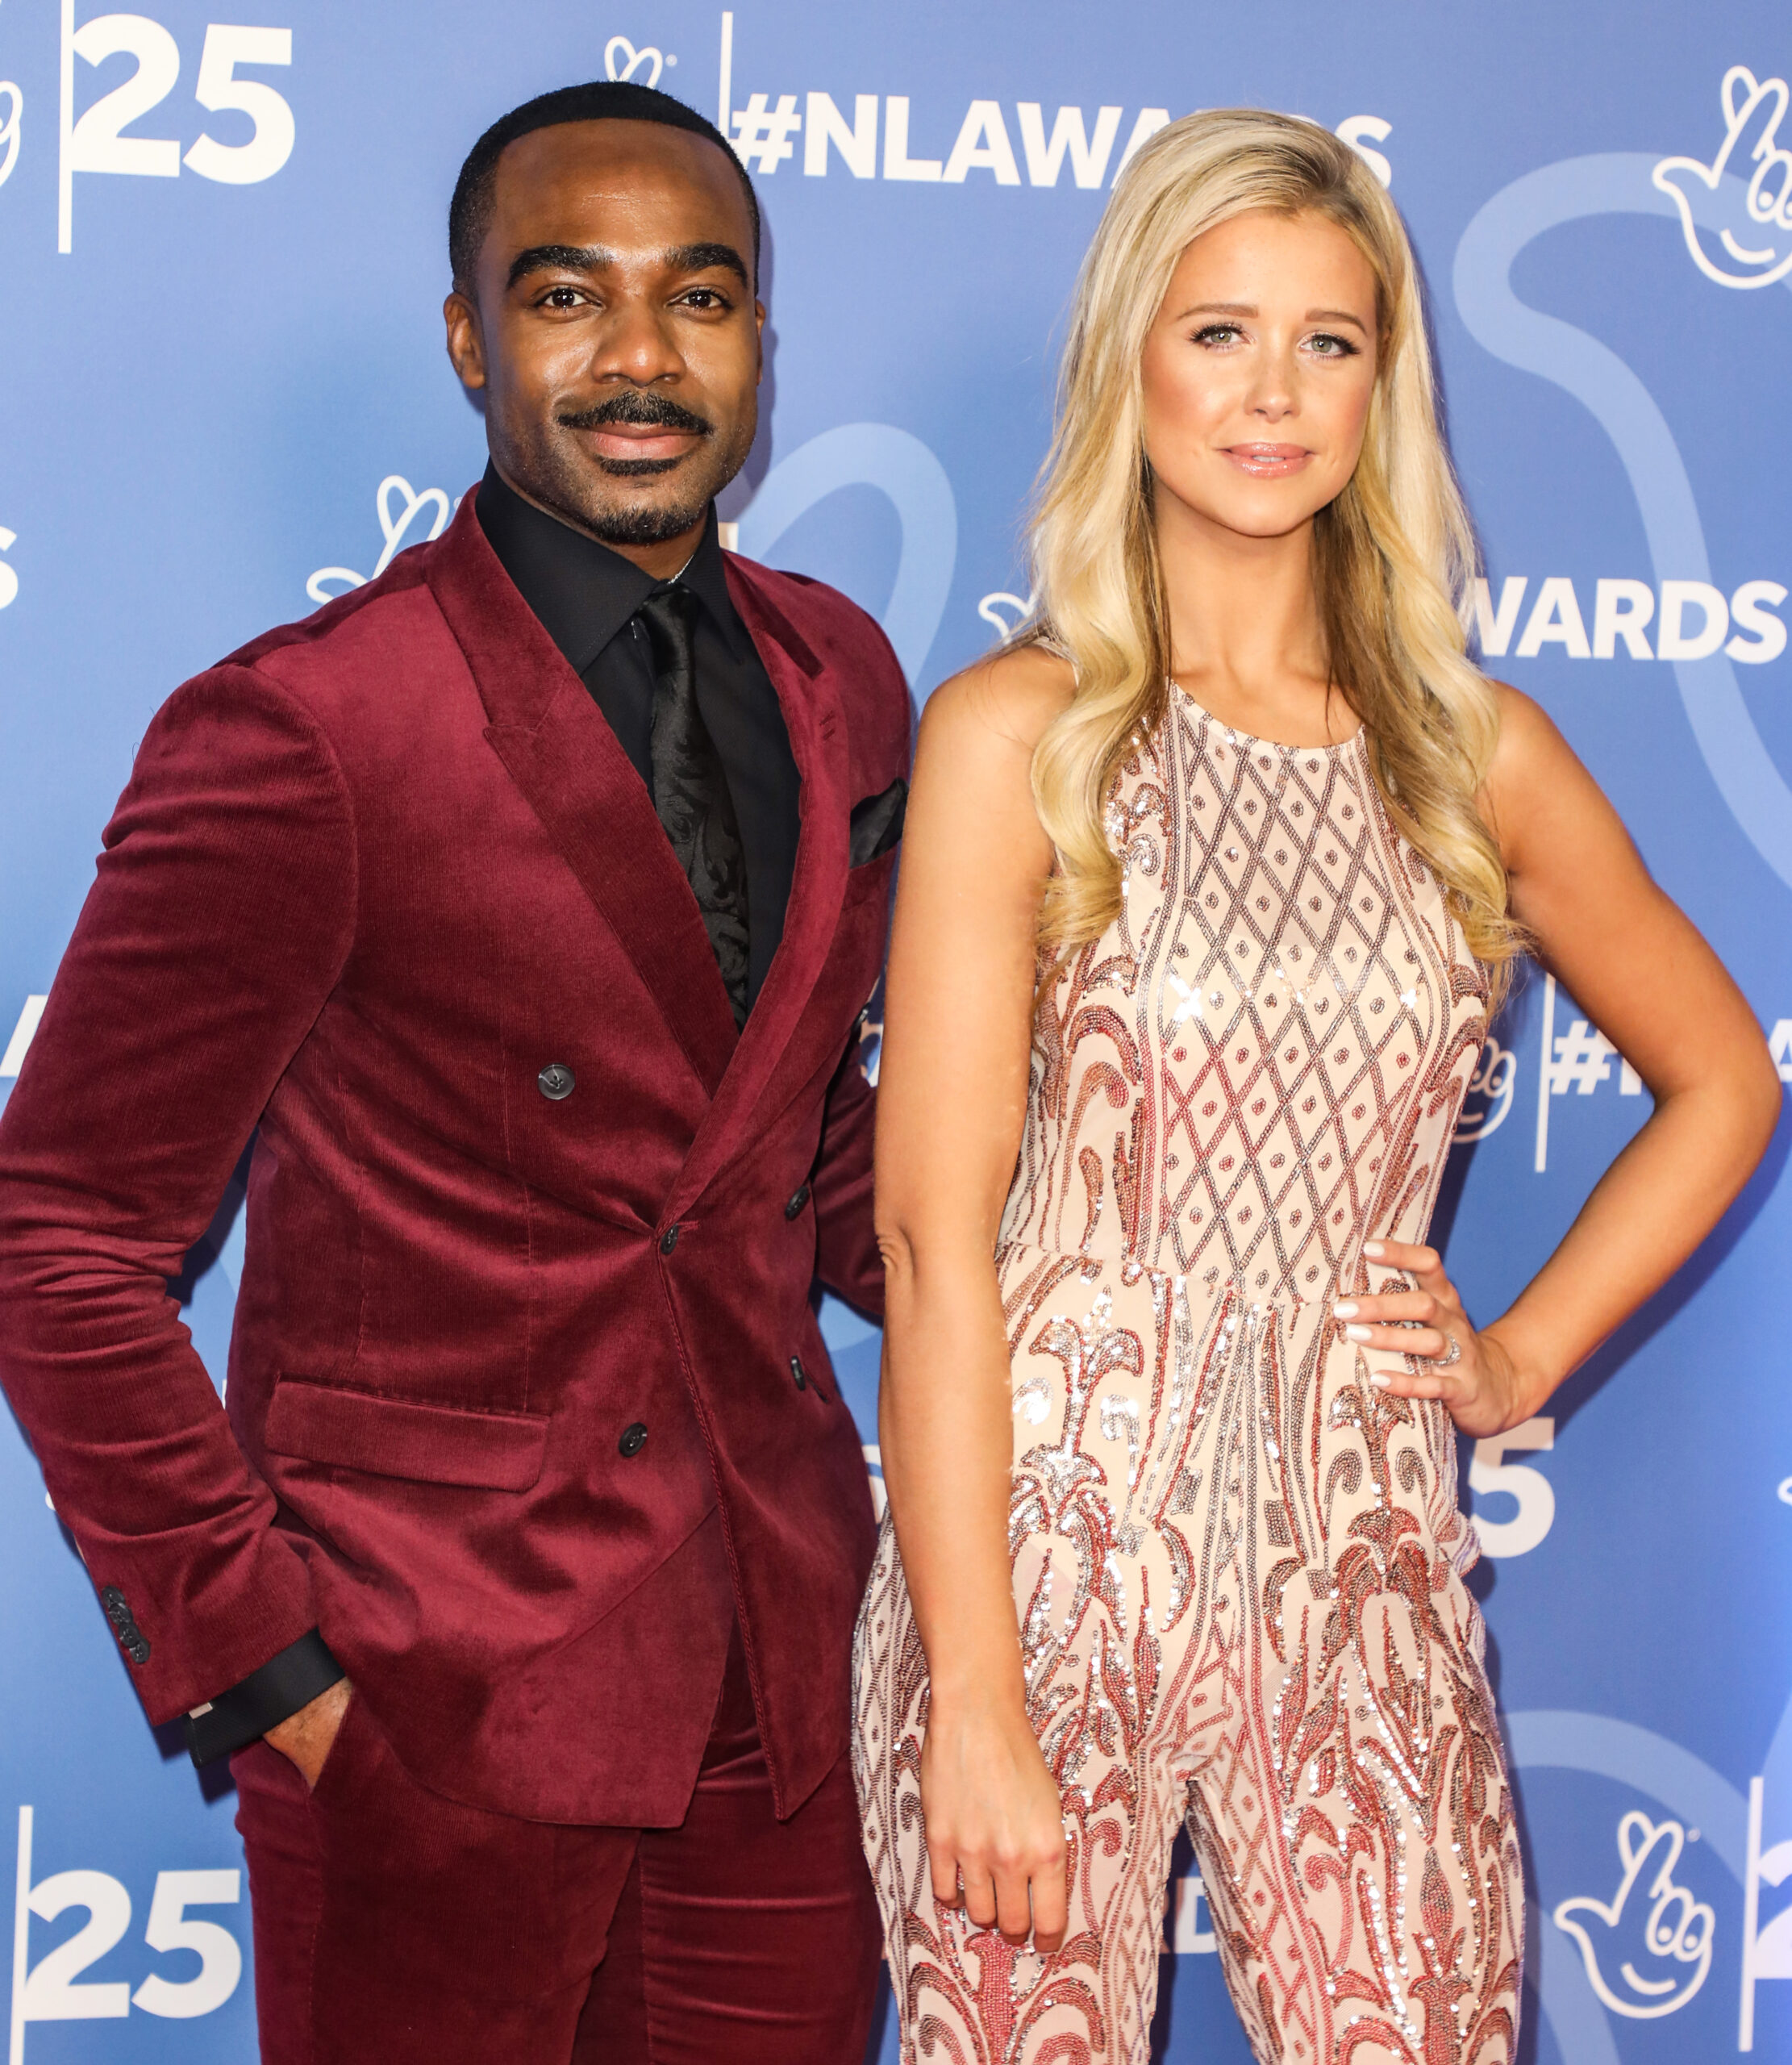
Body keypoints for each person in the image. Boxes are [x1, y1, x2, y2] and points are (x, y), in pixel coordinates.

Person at [853, 108, 1777, 2065]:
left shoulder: (1475, 754)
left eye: (1330, 342)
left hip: (1361, 1579)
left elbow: (1719, 1074)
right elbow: (935, 1250)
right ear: (1130, 358)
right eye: (1218, 332)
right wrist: (975, 1701)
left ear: (1383, 383)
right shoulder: (1013, 735)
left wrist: (1517, 1354)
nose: (1273, 393)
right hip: (1039, 1568)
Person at [0, 80, 909, 2065]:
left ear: (761, 337)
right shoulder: (311, 730)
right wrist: (271, 1672)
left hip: (781, 1687)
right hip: (431, 1702)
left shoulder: (847, 676)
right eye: (569, 295)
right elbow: (58, 1232)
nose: (643, 357)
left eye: (703, 296)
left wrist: (1085, 1281)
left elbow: (801, 1148)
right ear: (468, 336)